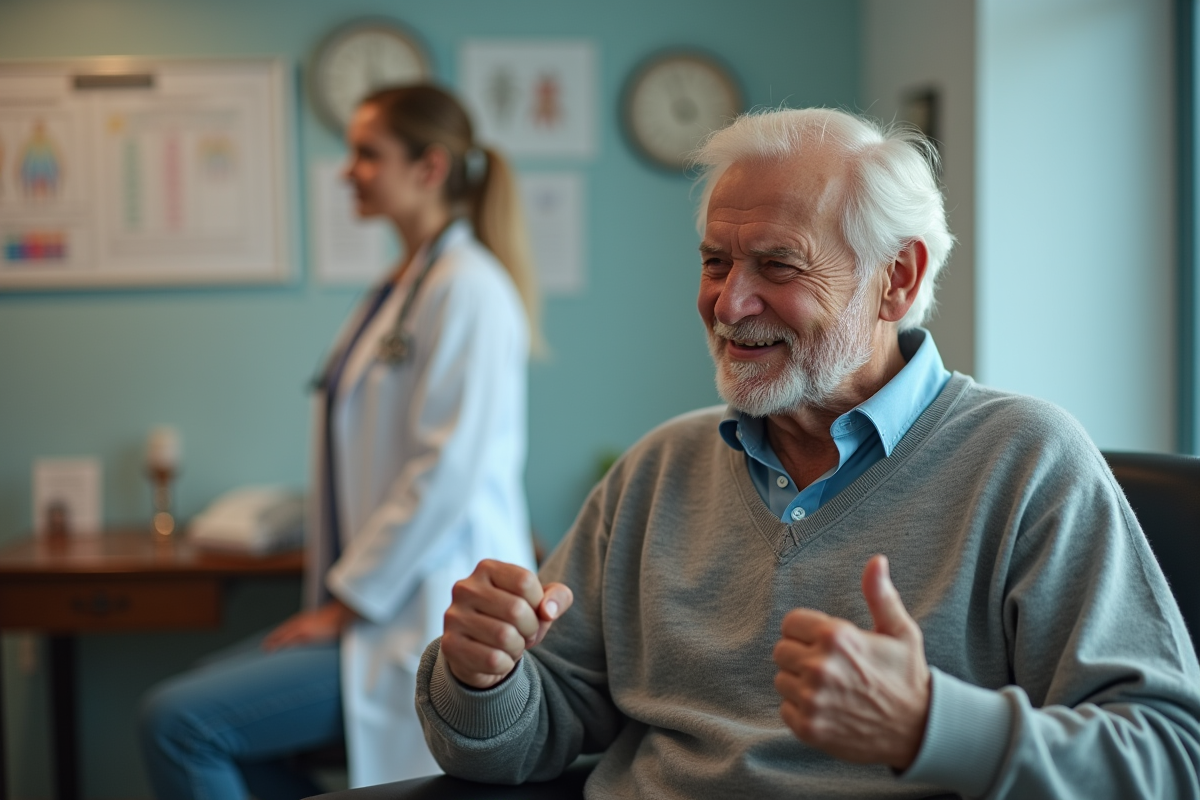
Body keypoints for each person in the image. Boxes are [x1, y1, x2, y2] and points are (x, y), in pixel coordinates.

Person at [413, 107, 1200, 799]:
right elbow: (527, 737)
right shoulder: (659, 470)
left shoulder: (1026, 461)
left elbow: (1167, 760)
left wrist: (932, 726)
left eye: (777, 265)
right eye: (715, 261)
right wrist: (485, 674)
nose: (728, 303)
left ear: (896, 280)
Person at [140, 83, 539, 798]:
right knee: (200, 705)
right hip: (379, 601)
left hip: (418, 610)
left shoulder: (468, 290)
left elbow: (443, 472)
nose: (347, 170)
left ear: (429, 167)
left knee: (180, 722)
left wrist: (345, 604)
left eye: (366, 153)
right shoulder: (406, 286)